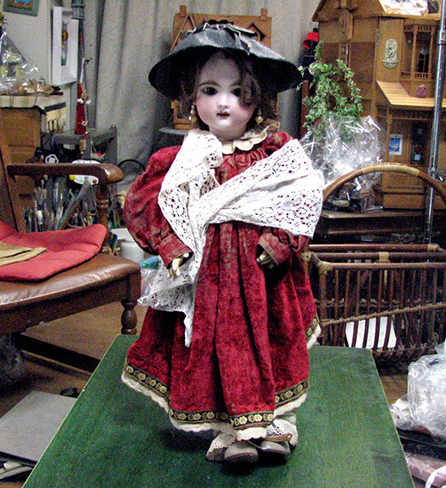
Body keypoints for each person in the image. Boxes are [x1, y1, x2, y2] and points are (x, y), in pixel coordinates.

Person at [121, 23, 323, 464]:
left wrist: (280, 242)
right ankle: (233, 431)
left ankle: (276, 424)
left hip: (265, 278)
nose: (224, 103)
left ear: (258, 97)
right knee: (216, 349)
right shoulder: (180, 158)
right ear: (191, 98)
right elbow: (146, 204)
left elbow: (303, 198)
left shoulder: (278, 151)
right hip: (210, 279)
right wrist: (172, 246)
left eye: (239, 92)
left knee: (271, 342)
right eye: (210, 90)